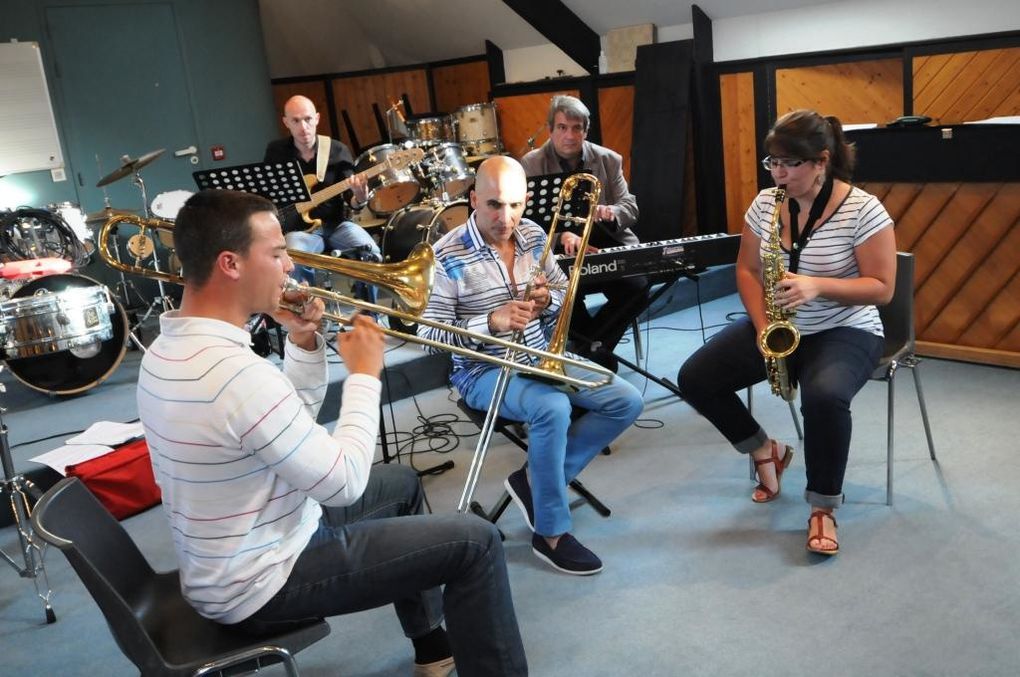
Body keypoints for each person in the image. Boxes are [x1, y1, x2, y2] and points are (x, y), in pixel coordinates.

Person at [136, 189, 527, 676]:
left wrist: (302, 343)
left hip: (234, 553)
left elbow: (282, 429)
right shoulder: (233, 373)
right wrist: (365, 374)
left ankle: (433, 648)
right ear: (230, 264)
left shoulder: (165, 350)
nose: (289, 269)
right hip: (261, 580)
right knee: (478, 542)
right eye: (277, 254)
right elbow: (343, 484)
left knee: (403, 485)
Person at [677, 110, 897, 555]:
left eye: (789, 164)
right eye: (772, 162)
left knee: (825, 396)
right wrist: (764, 329)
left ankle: (822, 507)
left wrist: (817, 286)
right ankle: (764, 450)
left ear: (821, 161)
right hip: (781, 325)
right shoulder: (766, 203)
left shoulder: (863, 208)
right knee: (695, 378)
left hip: (845, 327)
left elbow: (882, 288)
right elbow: (747, 269)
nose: (778, 174)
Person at [419, 156, 644, 575]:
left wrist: (547, 301)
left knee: (626, 400)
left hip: (540, 353)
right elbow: (429, 337)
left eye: (516, 205)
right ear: (472, 199)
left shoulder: (533, 234)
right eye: (494, 205)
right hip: (482, 370)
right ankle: (550, 530)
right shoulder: (445, 254)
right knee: (552, 408)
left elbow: (561, 290)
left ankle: (535, 483)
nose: (507, 218)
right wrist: (489, 321)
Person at [520, 94, 647, 373]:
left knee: (638, 288)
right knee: (564, 296)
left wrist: (612, 212)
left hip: (605, 243)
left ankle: (590, 349)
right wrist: (561, 235)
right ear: (551, 129)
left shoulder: (608, 159)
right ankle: (595, 351)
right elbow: (526, 223)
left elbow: (630, 206)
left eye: (577, 128)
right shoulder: (531, 163)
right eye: (562, 127)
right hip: (557, 253)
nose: (570, 135)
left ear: (585, 131)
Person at [264, 95, 381, 302]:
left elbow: (352, 201)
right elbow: (270, 193)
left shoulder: (337, 150)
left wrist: (359, 197)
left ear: (317, 118)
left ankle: (369, 316)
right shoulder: (276, 152)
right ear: (286, 122)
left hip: (337, 224)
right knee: (294, 260)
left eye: (308, 119)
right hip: (299, 229)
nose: (303, 127)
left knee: (371, 253)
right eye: (296, 121)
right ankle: (309, 316)